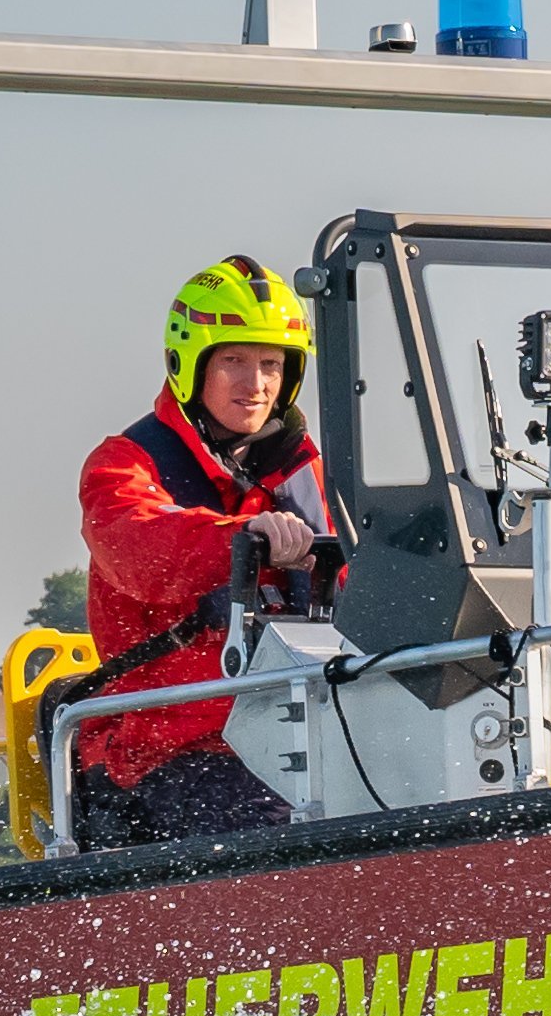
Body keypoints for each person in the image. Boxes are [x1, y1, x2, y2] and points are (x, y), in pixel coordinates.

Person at [70, 253, 345, 844]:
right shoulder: (124, 466)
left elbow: (362, 575)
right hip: (164, 747)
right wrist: (244, 537)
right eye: (235, 362)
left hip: (299, 726)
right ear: (189, 364)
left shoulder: (304, 471)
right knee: (283, 838)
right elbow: (142, 548)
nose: (256, 384)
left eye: (272, 364)